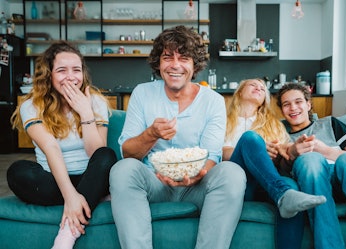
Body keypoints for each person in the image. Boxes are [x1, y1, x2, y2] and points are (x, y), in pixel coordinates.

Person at [109, 25, 246, 249]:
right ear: (158, 63)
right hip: (155, 184)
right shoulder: (142, 93)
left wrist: (196, 176)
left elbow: (212, 156)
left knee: (232, 172)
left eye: (184, 58)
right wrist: (151, 134)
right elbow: (127, 152)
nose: (175, 65)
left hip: (197, 186)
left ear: (194, 65)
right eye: (167, 57)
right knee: (121, 170)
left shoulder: (213, 101)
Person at [7, 41, 117, 249]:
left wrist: (85, 112)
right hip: (54, 180)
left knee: (107, 156)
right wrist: (71, 196)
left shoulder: (96, 102)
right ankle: (94, 196)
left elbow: (96, 153)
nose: (70, 76)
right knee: (17, 172)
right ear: (49, 75)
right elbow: (51, 148)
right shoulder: (32, 105)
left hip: (90, 175)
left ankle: (66, 235)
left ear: (83, 73)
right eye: (61, 70)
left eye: (76, 70)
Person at [223, 78, 326, 249]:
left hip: (265, 185)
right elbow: (220, 153)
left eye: (263, 88)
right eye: (253, 85)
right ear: (240, 91)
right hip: (237, 184)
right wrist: (255, 149)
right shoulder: (222, 120)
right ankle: (283, 193)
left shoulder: (274, 125)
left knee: (291, 186)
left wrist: (278, 153)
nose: (258, 87)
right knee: (251, 139)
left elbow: (283, 157)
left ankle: (285, 195)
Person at [276, 83, 346, 249]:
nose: (293, 108)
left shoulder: (330, 124)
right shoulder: (278, 133)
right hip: (311, 182)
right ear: (282, 110)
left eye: (298, 101)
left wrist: (327, 151)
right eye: (286, 104)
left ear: (308, 104)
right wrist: (292, 155)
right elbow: (280, 172)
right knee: (310, 159)